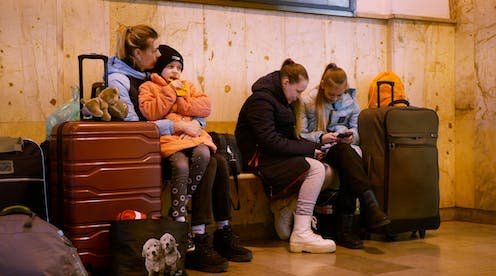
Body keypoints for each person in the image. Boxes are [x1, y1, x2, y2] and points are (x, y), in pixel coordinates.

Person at [107, 30, 251, 273]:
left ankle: (214, 233)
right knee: (210, 163)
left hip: (178, 139)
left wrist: (194, 126)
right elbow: (134, 128)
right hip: (150, 149)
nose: (159, 54)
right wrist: (177, 125)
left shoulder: (148, 75)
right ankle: (191, 237)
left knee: (219, 161)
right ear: (137, 53)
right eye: (154, 50)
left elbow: (197, 109)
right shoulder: (122, 80)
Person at [235, 58, 335, 253]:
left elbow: (288, 139)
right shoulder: (261, 100)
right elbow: (269, 141)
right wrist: (308, 150)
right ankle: (302, 232)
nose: (298, 97)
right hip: (258, 158)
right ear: (286, 82)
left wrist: (317, 145)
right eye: (298, 91)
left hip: (272, 155)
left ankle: (286, 207)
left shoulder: (283, 101)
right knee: (315, 169)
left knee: (328, 170)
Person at [297, 63, 390, 249]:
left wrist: (350, 136)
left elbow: (358, 131)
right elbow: (300, 133)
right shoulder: (307, 101)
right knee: (348, 157)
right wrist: (322, 137)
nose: (335, 98)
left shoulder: (351, 103)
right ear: (323, 85)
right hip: (319, 150)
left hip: (343, 149)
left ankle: (351, 223)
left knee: (348, 156)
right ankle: (366, 207)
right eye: (331, 94)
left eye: (339, 94)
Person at [138, 44, 215, 230]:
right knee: (180, 166)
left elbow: (205, 106)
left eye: (179, 68)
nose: (175, 71)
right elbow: (150, 112)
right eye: (170, 66)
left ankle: (179, 205)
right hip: (171, 140)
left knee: (204, 155)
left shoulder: (188, 86)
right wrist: (171, 91)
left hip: (194, 136)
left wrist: (181, 103)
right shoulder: (149, 87)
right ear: (160, 68)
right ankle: (179, 220)